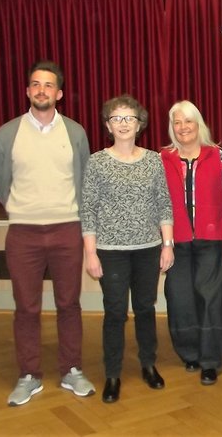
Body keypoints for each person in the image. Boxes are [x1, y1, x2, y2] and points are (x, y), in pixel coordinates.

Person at [0, 60, 95, 406]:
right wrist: (21, 209)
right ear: (27, 91)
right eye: (35, 84)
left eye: (48, 85)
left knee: (69, 304)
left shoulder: (75, 132)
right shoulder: (8, 132)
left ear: (59, 93)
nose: (41, 90)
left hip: (67, 230)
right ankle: (29, 375)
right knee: (26, 307)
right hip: (23, 233)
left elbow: (85, 179)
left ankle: (72, 370)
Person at [80, 94, 174, 403]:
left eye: (129, 118)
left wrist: (167, 245)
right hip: (110, 251)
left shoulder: (153, 160)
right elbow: (88, 210)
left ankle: (148, 364)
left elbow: (164, 204)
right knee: (115, 311)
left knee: (146, 308)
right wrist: (90, 253)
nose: (123, 123)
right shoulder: (97, 162)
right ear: (108, 125)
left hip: (148, 248)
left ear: (139, 124)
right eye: (116, 118)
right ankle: (112, 373)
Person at [160, 100, 222, 386]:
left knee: (211, 299)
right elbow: (156, 202)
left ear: (198, 124)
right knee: (180, 298)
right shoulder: (162, 159)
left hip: (211, 238)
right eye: (177, 122)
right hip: (176, 241)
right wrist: (163, 242)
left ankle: (210, 360)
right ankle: (189, 352)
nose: (183, 127)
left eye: (188, 121)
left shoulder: (217, 156)